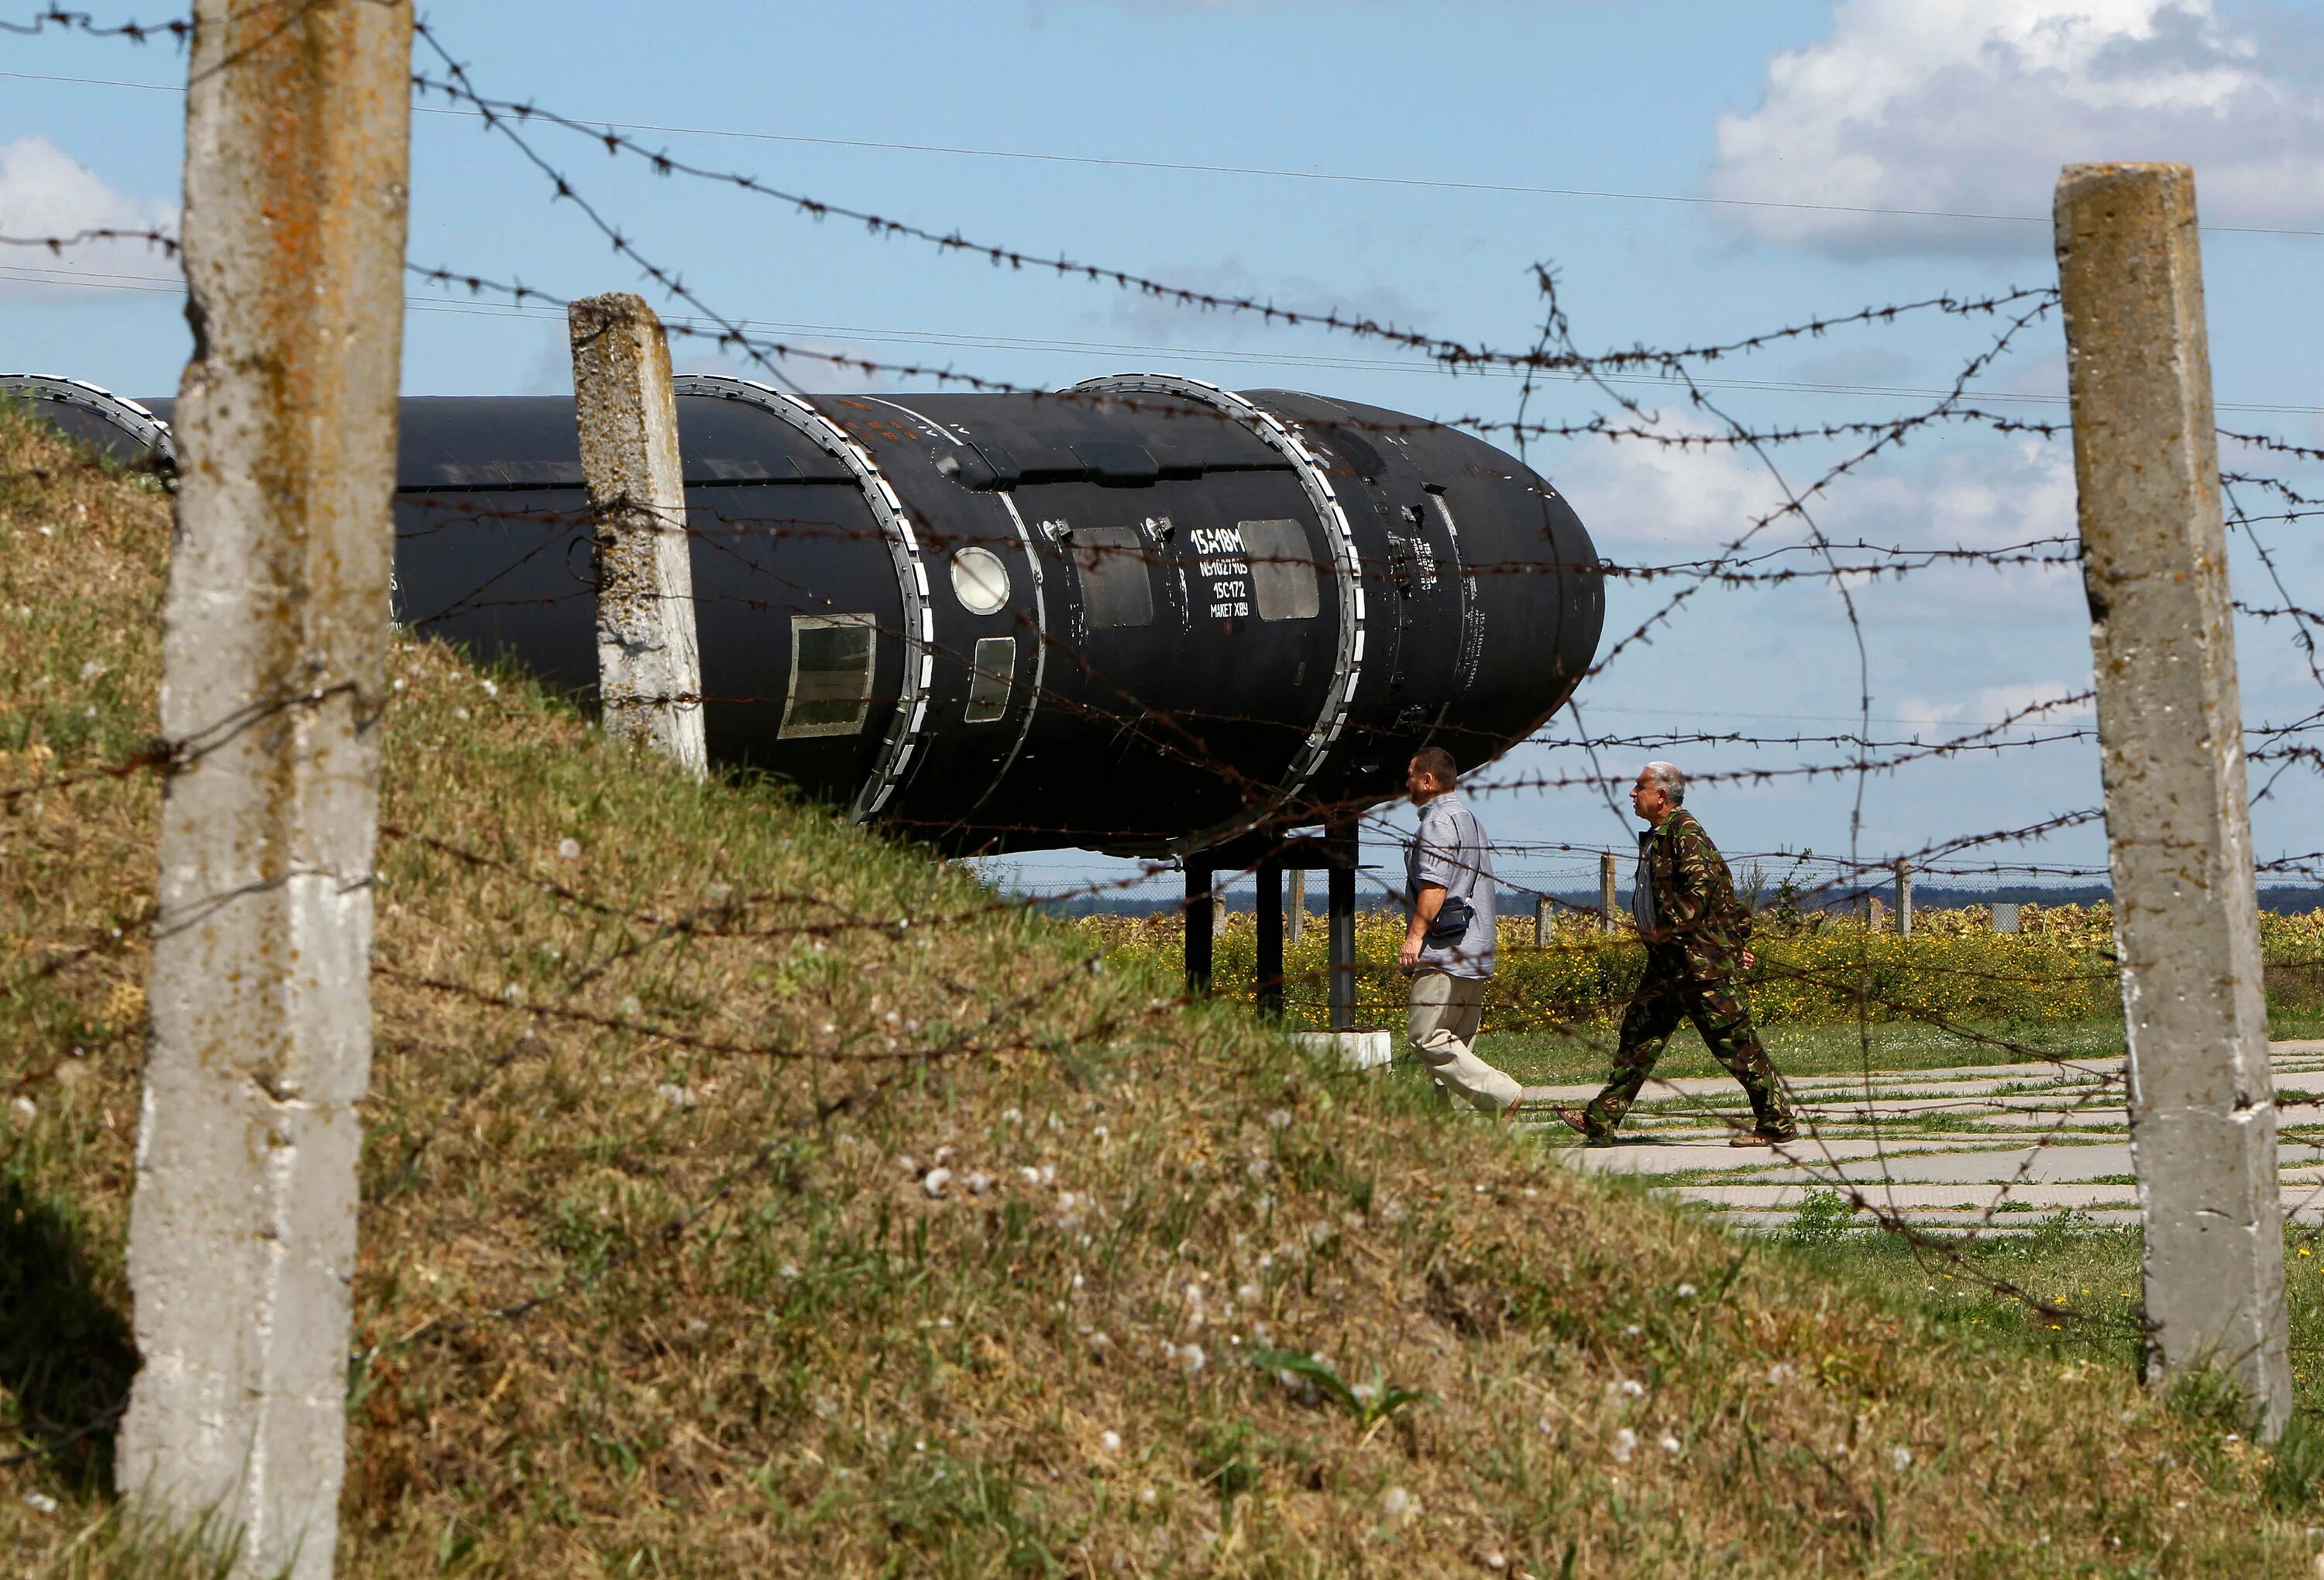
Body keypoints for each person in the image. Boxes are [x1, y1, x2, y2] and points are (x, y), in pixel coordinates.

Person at [1556, 761, 1797, 1147]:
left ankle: (1776, 1122)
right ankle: (1600, 1118)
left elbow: (1704, 891)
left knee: (1734, 1044)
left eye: (1639, 788)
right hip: (1668, 962)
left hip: (1697, 965)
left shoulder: (1685, 832)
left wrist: (1672, 927)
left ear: (1662, 796)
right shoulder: (1660, 835)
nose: (1632, 794)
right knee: (1639, 1036)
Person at [1398, 746, 1523, 1116]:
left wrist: (1414, 938)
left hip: (1445, 952)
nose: (1406, 782)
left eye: (1410, 773)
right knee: (1456, 1046)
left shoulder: (1437, 822)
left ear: (1428, 780)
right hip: (1476, 949)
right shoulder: (1470, 819)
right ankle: (1449, 1129)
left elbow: (1435, 887)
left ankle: (1502, 1094)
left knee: (1426, 1038)